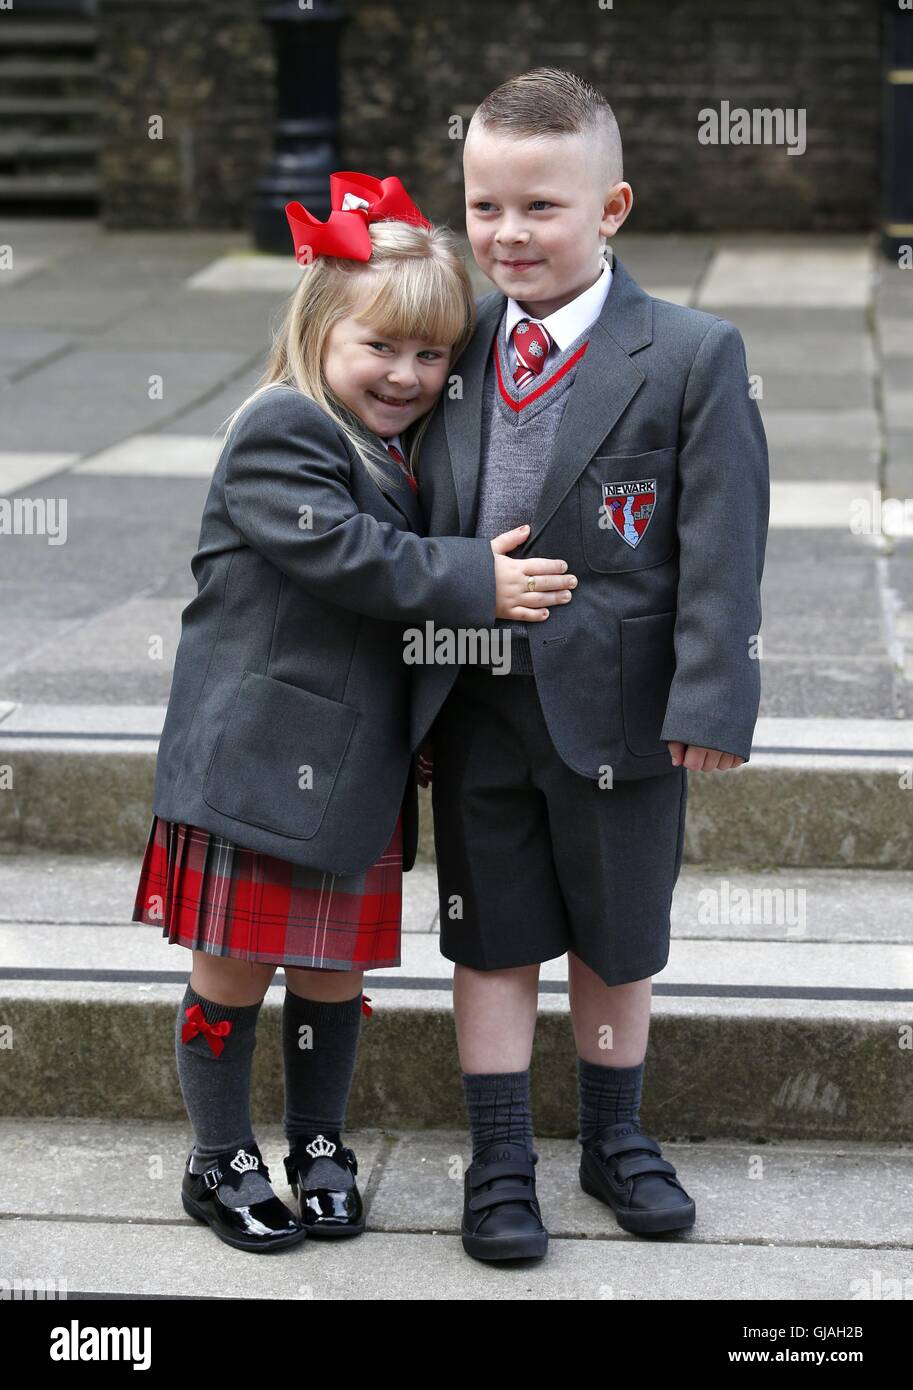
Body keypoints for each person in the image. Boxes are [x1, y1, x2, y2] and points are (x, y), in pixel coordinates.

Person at [130, 171, 576, 1253]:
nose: (408, 375)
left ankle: (320, 1144)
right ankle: (217, 1156)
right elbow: (347, 557)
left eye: (432, 357)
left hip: (354, 764)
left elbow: (385, 623)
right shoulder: (279, 428)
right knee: (230, 968)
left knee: (335, 970)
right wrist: (477, 578)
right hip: (259, 754)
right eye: (381, 347)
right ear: (320, 328)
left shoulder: (398, 456)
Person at [412, 71, 770, 1261]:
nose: (506, 234)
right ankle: (500, 1157)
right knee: (489, 931)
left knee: (617, 939)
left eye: (540, 208)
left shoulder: (689, 353)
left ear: (611, 206)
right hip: (471, 699)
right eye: (483, 208)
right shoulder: (448, 341)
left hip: (621, 710)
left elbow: (722, 543)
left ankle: (616, 1140)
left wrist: (712, 693)